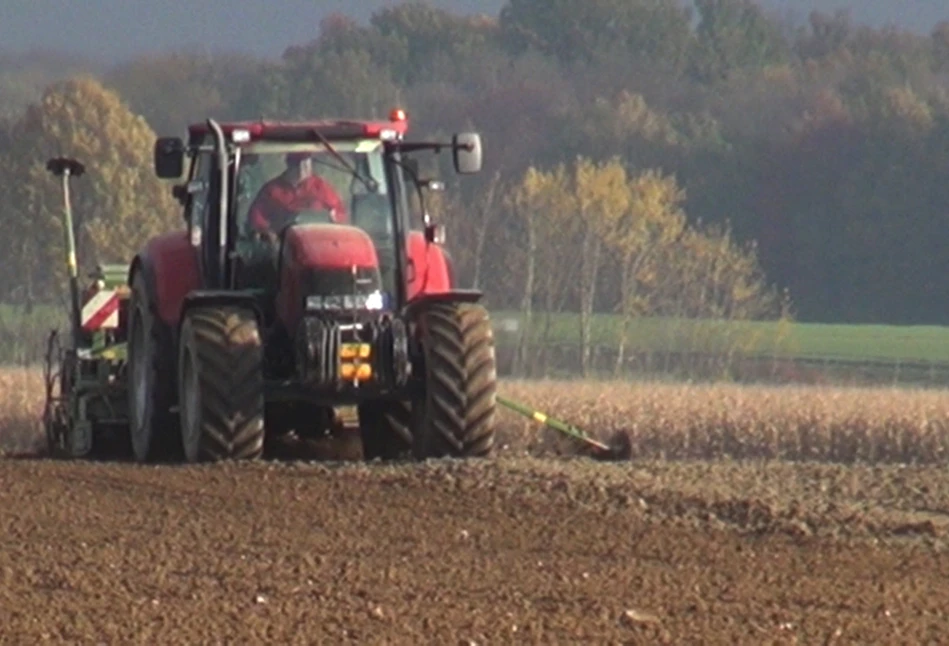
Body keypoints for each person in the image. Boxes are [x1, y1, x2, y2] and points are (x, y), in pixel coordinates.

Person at [246, 151, 348, 243]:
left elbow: (339, 213)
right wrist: (267, 234)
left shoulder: (321, 188)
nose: (302, 168)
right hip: (281, 248)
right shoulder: (271, 190)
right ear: (289, 164)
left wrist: (334, 220)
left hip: (316, 245)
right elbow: (256, 220)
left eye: (306, 163)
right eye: (298, 164)